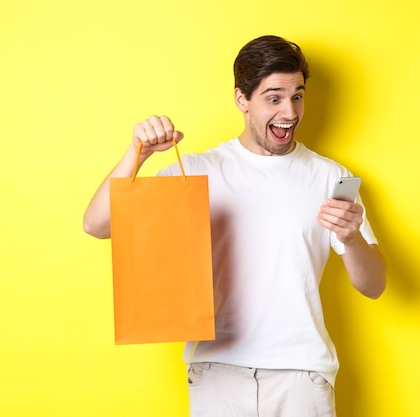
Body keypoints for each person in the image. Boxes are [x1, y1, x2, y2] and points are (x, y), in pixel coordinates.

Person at [83, 35, 386, 417]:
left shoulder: (329, 177)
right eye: (273, 98)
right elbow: (97, 225)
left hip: (301, 375)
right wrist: (137, 155)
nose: (290, 113)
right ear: (242, 100)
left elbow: (373, 286)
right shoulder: (194, 171)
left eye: (297, 96)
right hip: (216, 373)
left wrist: (351, 237)